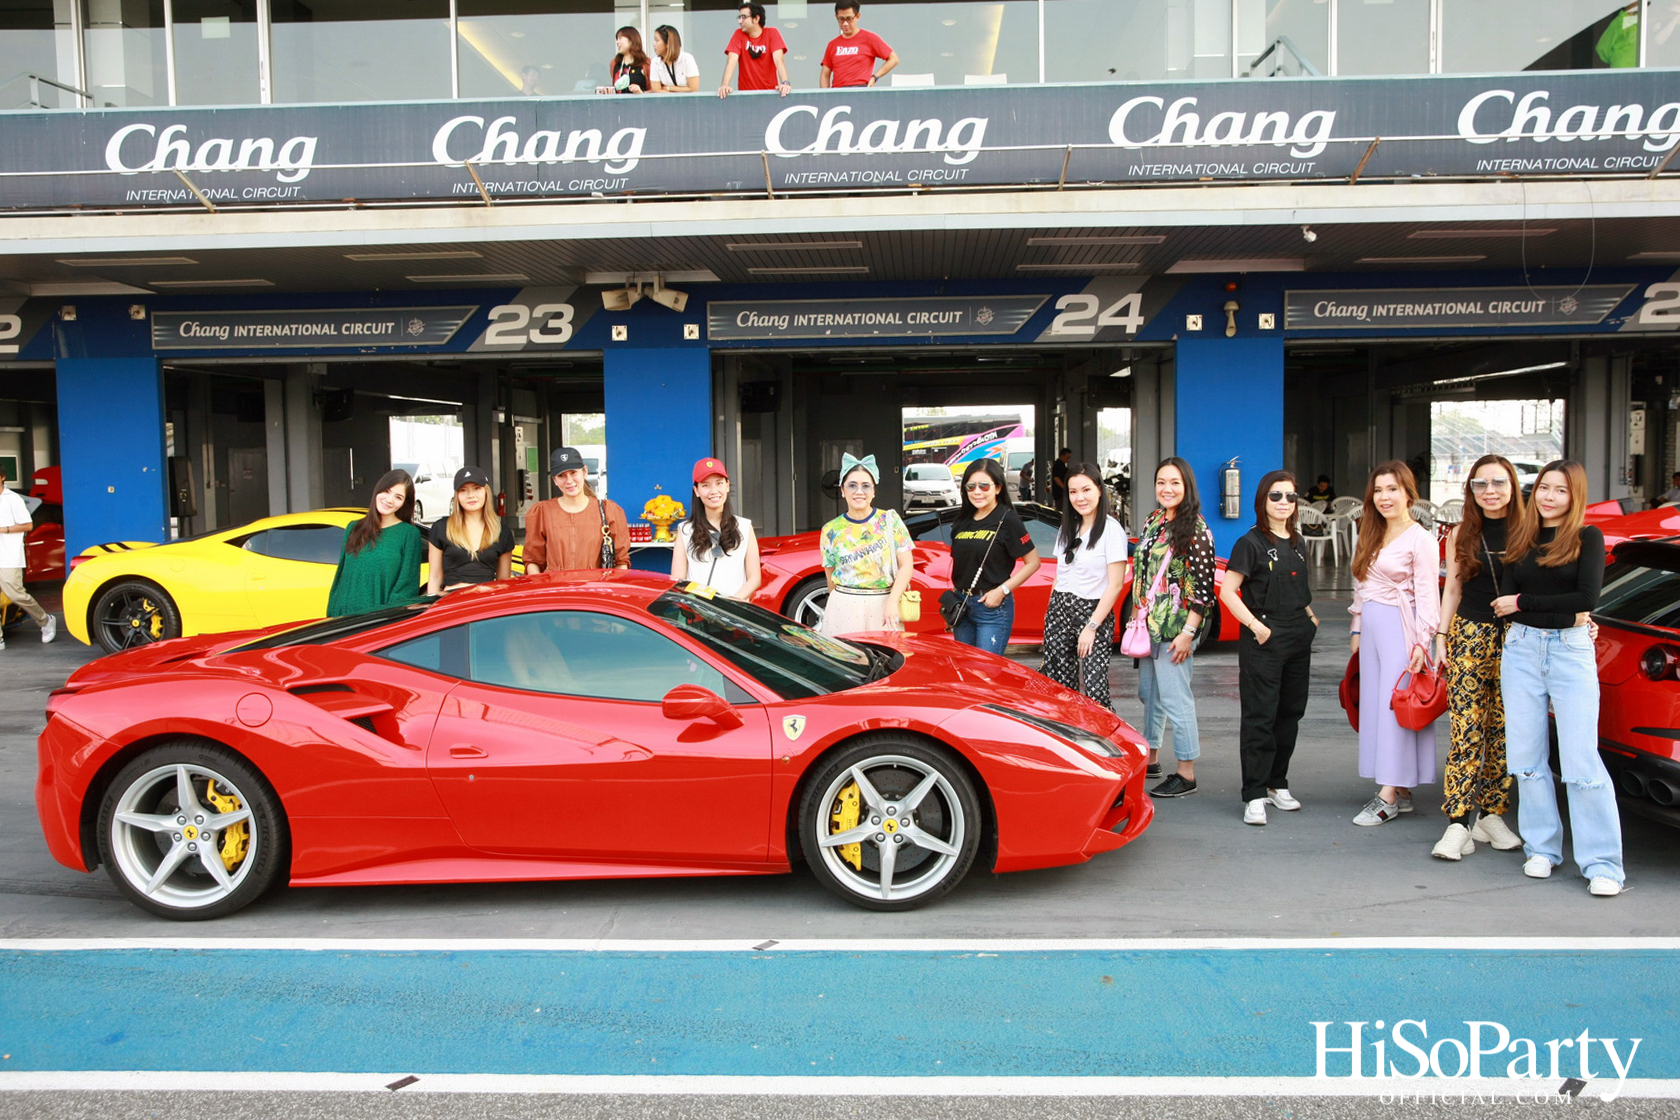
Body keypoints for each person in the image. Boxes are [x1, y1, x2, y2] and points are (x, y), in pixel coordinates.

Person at [1494, 459, 1622, 897]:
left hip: (1570, 651)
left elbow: (1586, 598)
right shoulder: (1521, 536)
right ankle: (1542, 849)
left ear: (1575, 496)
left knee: (1581, 759)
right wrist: (1551, 610)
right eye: (1544, 487)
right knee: (1526, 757)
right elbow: (1503, 602)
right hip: (1521, 650)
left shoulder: (1588, 537)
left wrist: (1526, 603)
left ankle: (1602, 864)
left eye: (1561, 490)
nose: (1549, 497)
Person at [1430, 455, 1526, 860]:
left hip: (1519, 638)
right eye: (1480, 484)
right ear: (1470, 489)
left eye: (1498, 482)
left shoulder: (1530, 529)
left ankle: (1490, 814)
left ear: (1513, 486)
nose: (1490, 491)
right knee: (1466, 729)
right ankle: (1457, 822)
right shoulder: (1460, 533)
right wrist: (1441, 634)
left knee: (1504, 732)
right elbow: (1452, 588)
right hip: (1470, 634)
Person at [1218, 471, 1318, 826]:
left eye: (1290, 496)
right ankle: (1255, 793)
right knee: (1260, 716)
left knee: (1290, 713)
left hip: (1298, 636)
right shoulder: (1250, 543)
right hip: (1264, 637)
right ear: (1263, 500)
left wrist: (1310, 617)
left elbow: (1299, 587)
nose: (1283, 503)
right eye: (1276, 496)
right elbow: (1228, 591)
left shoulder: (1298, 541)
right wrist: (1256, 627)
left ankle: (1277, 783)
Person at [1348, 460, 1440, 826]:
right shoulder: (1370, 531)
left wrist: (1422, 642)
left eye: (1392, 489)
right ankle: (1400, 789)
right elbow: (1361, 586)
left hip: (1403, 628)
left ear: (1408, 494)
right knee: (1376, 706)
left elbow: (1428, 594)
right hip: (1372, 627)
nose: (1384, 497)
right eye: (1378, 490)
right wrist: (1356, 630)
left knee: (1395, 706)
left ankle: (1387, 795)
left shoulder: (1421, 539)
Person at [1132, 456, 1216, 797]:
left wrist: (1188, 633)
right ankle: (1151, 758)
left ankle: (1186, 772)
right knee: (1150, 695)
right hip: (1149, 626)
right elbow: (1143, 573)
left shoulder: (1195, 528)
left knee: (1176, 699)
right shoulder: (1153, 520)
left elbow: (1203, 589)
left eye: (1174, 483)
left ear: (1187, 487)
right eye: (1161, 482)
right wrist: (1136, 613)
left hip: (1176, 629)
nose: (1167, 489)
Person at [1040, 463, 1125, 706]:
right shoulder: (1068, 527)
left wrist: (1092, 626)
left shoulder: (1111, 529)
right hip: (1059, 609)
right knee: (1060, 688)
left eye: (1086, 490)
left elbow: (1115, 585)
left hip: (1092, 611)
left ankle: (1104, 730)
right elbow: (1060, 575)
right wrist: (1051, 613)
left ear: (1099, 489)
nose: (1080, 498)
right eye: (1073, 492)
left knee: (1095, 689)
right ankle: (1067, 730)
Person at [948, 458, 1040, 654]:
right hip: (962, 605)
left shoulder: (1007, 519)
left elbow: (1033, 563)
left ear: (998, 488)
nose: (977, 492)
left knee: (985, 669)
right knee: (966, 667)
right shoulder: (962, 521)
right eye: (971, 486)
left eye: (984, 486)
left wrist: (1002, 591)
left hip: (992, 608)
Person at [818, 452, 913, 634]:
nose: (859, 491)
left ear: (874, 491)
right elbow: (830, 575)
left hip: (884, 604)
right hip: (843, 606)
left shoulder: (890, 521)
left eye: (866, 486)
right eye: (852, 485)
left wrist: (892, 601)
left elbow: (907, 565)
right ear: (842, 490)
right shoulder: (830, 530)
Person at [326, 469, 426, 617]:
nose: (390, 500)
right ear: (378, 490)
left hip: (379, 619)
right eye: (387, 491)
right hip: (344, 616)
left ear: (405, 503)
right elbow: (341, 577)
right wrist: (332, 614)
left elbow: (407, 586)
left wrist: (387, 617)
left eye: (398, 497)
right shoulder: (353, 527)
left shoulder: (409, 534)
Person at [523, 446, 631, 574]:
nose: (569, 481)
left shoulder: (609, 511)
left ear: (584, 472)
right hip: (555, 585)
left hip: (594, 585)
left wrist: (609, 585)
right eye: (561, 475)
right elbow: (533, 560)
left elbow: (621, 562)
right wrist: (540, 584)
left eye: (573, 473)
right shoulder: (542, 512)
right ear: (555, 480)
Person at [672, 457, 761, 599]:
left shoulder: (744, 526)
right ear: (696, 490)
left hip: (735, 608)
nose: (714, 491)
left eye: (719, 483)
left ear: (727, 485)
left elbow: (755, 578)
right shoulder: (685, 530)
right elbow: (678, 580)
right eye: (705, 485)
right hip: (697, 609)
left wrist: (733, 602)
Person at [426, 466, 515, 595]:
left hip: (485, 601)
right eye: (463, 490)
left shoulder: (502, 532)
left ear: (486, 491)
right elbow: (435, 577)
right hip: (452, 601)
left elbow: (503, 582)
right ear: (457, 495)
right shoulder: (441, 528)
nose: (471, 495)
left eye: (476, 488)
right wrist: (432, 604)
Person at [0, 463, 54, 648]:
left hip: (8, 555)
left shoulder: (13, 499)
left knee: (16, 595)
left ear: (2, 477)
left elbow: (28, 525)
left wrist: (3, 529)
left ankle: (45, 620)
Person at [719, 2, 792, 97]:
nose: (740, 21)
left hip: (769, 95)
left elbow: (779, 60)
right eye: (739, 17)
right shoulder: (738, 34)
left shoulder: (772, 33)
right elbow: (731, 61)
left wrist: (785, 83)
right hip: (746, 96)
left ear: (756, 18)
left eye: (744, 17)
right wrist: (724, 85)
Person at [820, 1, 898, 88]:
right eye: (841, 19)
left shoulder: (869, 38)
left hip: (861, 89)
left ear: (857, 16)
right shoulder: (832, 45)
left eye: (849, 18)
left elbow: (893, 59)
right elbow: (825, 74)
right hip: (838, 91)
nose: (845, 23)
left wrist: (875, 77)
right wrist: (825, 95)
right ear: (836, 17)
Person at [650, 25, 701, 93]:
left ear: (668, 43)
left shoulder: (687, 59)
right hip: (665, 99)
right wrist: (682, 90)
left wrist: (669, 88)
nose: (654, 44)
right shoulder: (655, 62)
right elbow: (656, 90)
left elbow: (694, 88)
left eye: (657, 40)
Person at [605, 26, 651, 93]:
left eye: (620, 38)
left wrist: (641, 92)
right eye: (617, 39)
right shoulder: (615, 63)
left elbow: (654, 91)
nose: (617, 42)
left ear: (631, 40)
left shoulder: (646, 63)